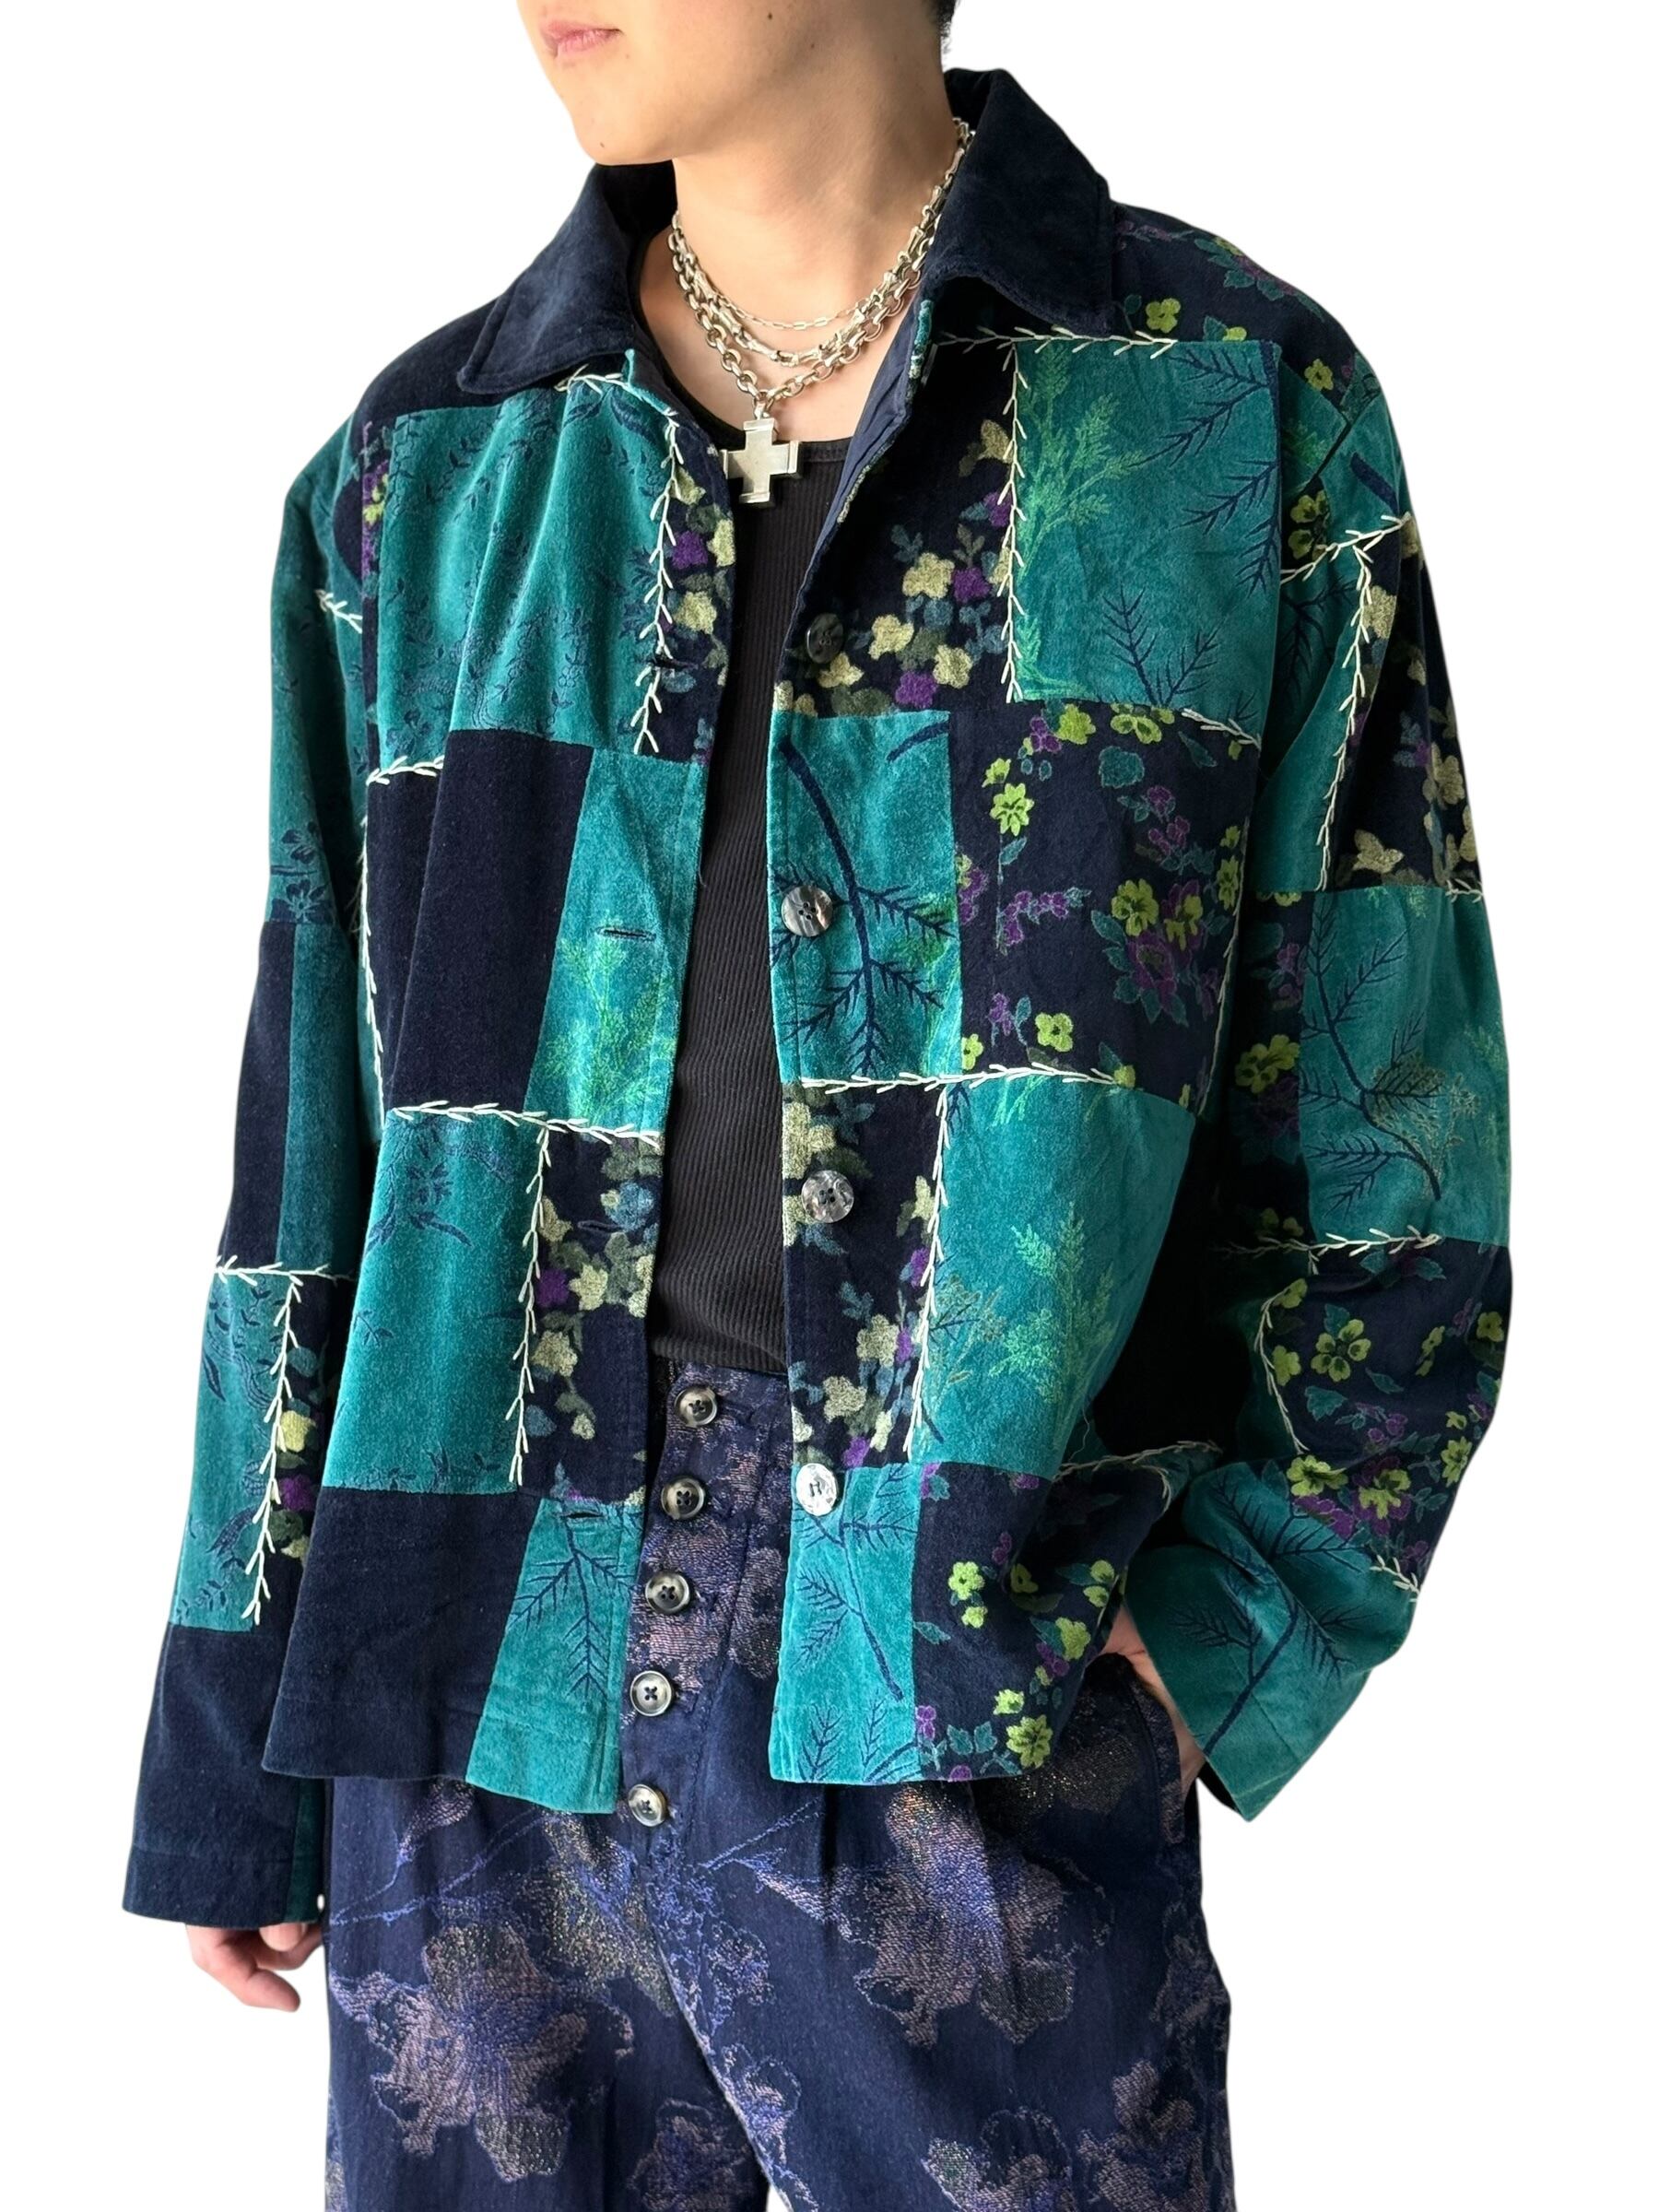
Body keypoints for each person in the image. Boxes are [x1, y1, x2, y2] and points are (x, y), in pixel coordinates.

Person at [124, 4, 1512, 2206]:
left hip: (970, 1667)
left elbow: (1390, 1123)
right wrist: (231, 1731)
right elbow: (315, 1154)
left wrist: (1219, 1628)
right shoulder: (422, 476)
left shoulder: (1225, 412)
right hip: (472, 1678)